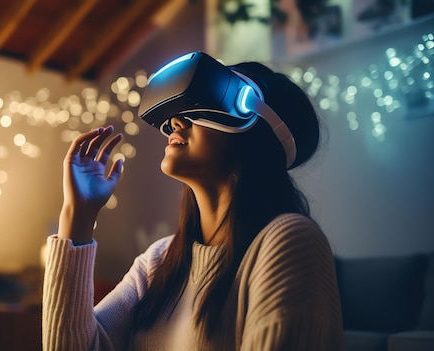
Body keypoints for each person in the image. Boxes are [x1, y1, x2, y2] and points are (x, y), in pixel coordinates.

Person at [42, 51, 343, 350]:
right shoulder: (158, 262)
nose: (174, 121)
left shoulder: (289, 240)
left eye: (200, 105)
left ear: (250, 113)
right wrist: (78, 214)